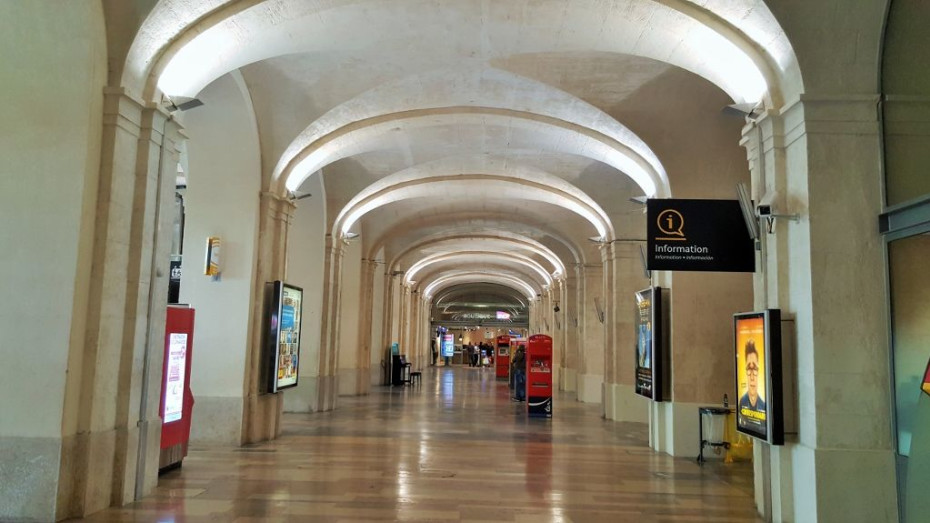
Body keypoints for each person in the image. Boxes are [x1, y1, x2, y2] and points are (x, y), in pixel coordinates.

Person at [739, 340, 766, 416]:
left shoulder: (764, 406)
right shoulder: (741, 403)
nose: (752, 377)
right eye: (748, 369)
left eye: (754, 369)